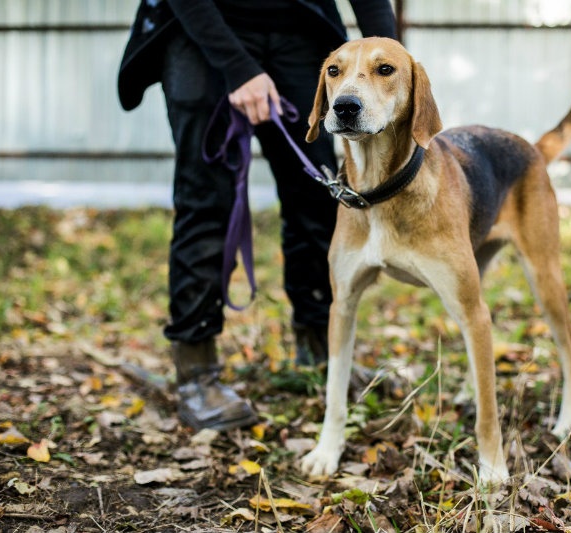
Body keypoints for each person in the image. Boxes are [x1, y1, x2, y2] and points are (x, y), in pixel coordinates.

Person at [117, 0, 397, 432]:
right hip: (202, 28)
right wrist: (236, 64)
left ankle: (320, 351)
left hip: (300, 30)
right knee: (206, 201)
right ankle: (196, 371)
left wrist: (392, 56)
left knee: (320, 195)